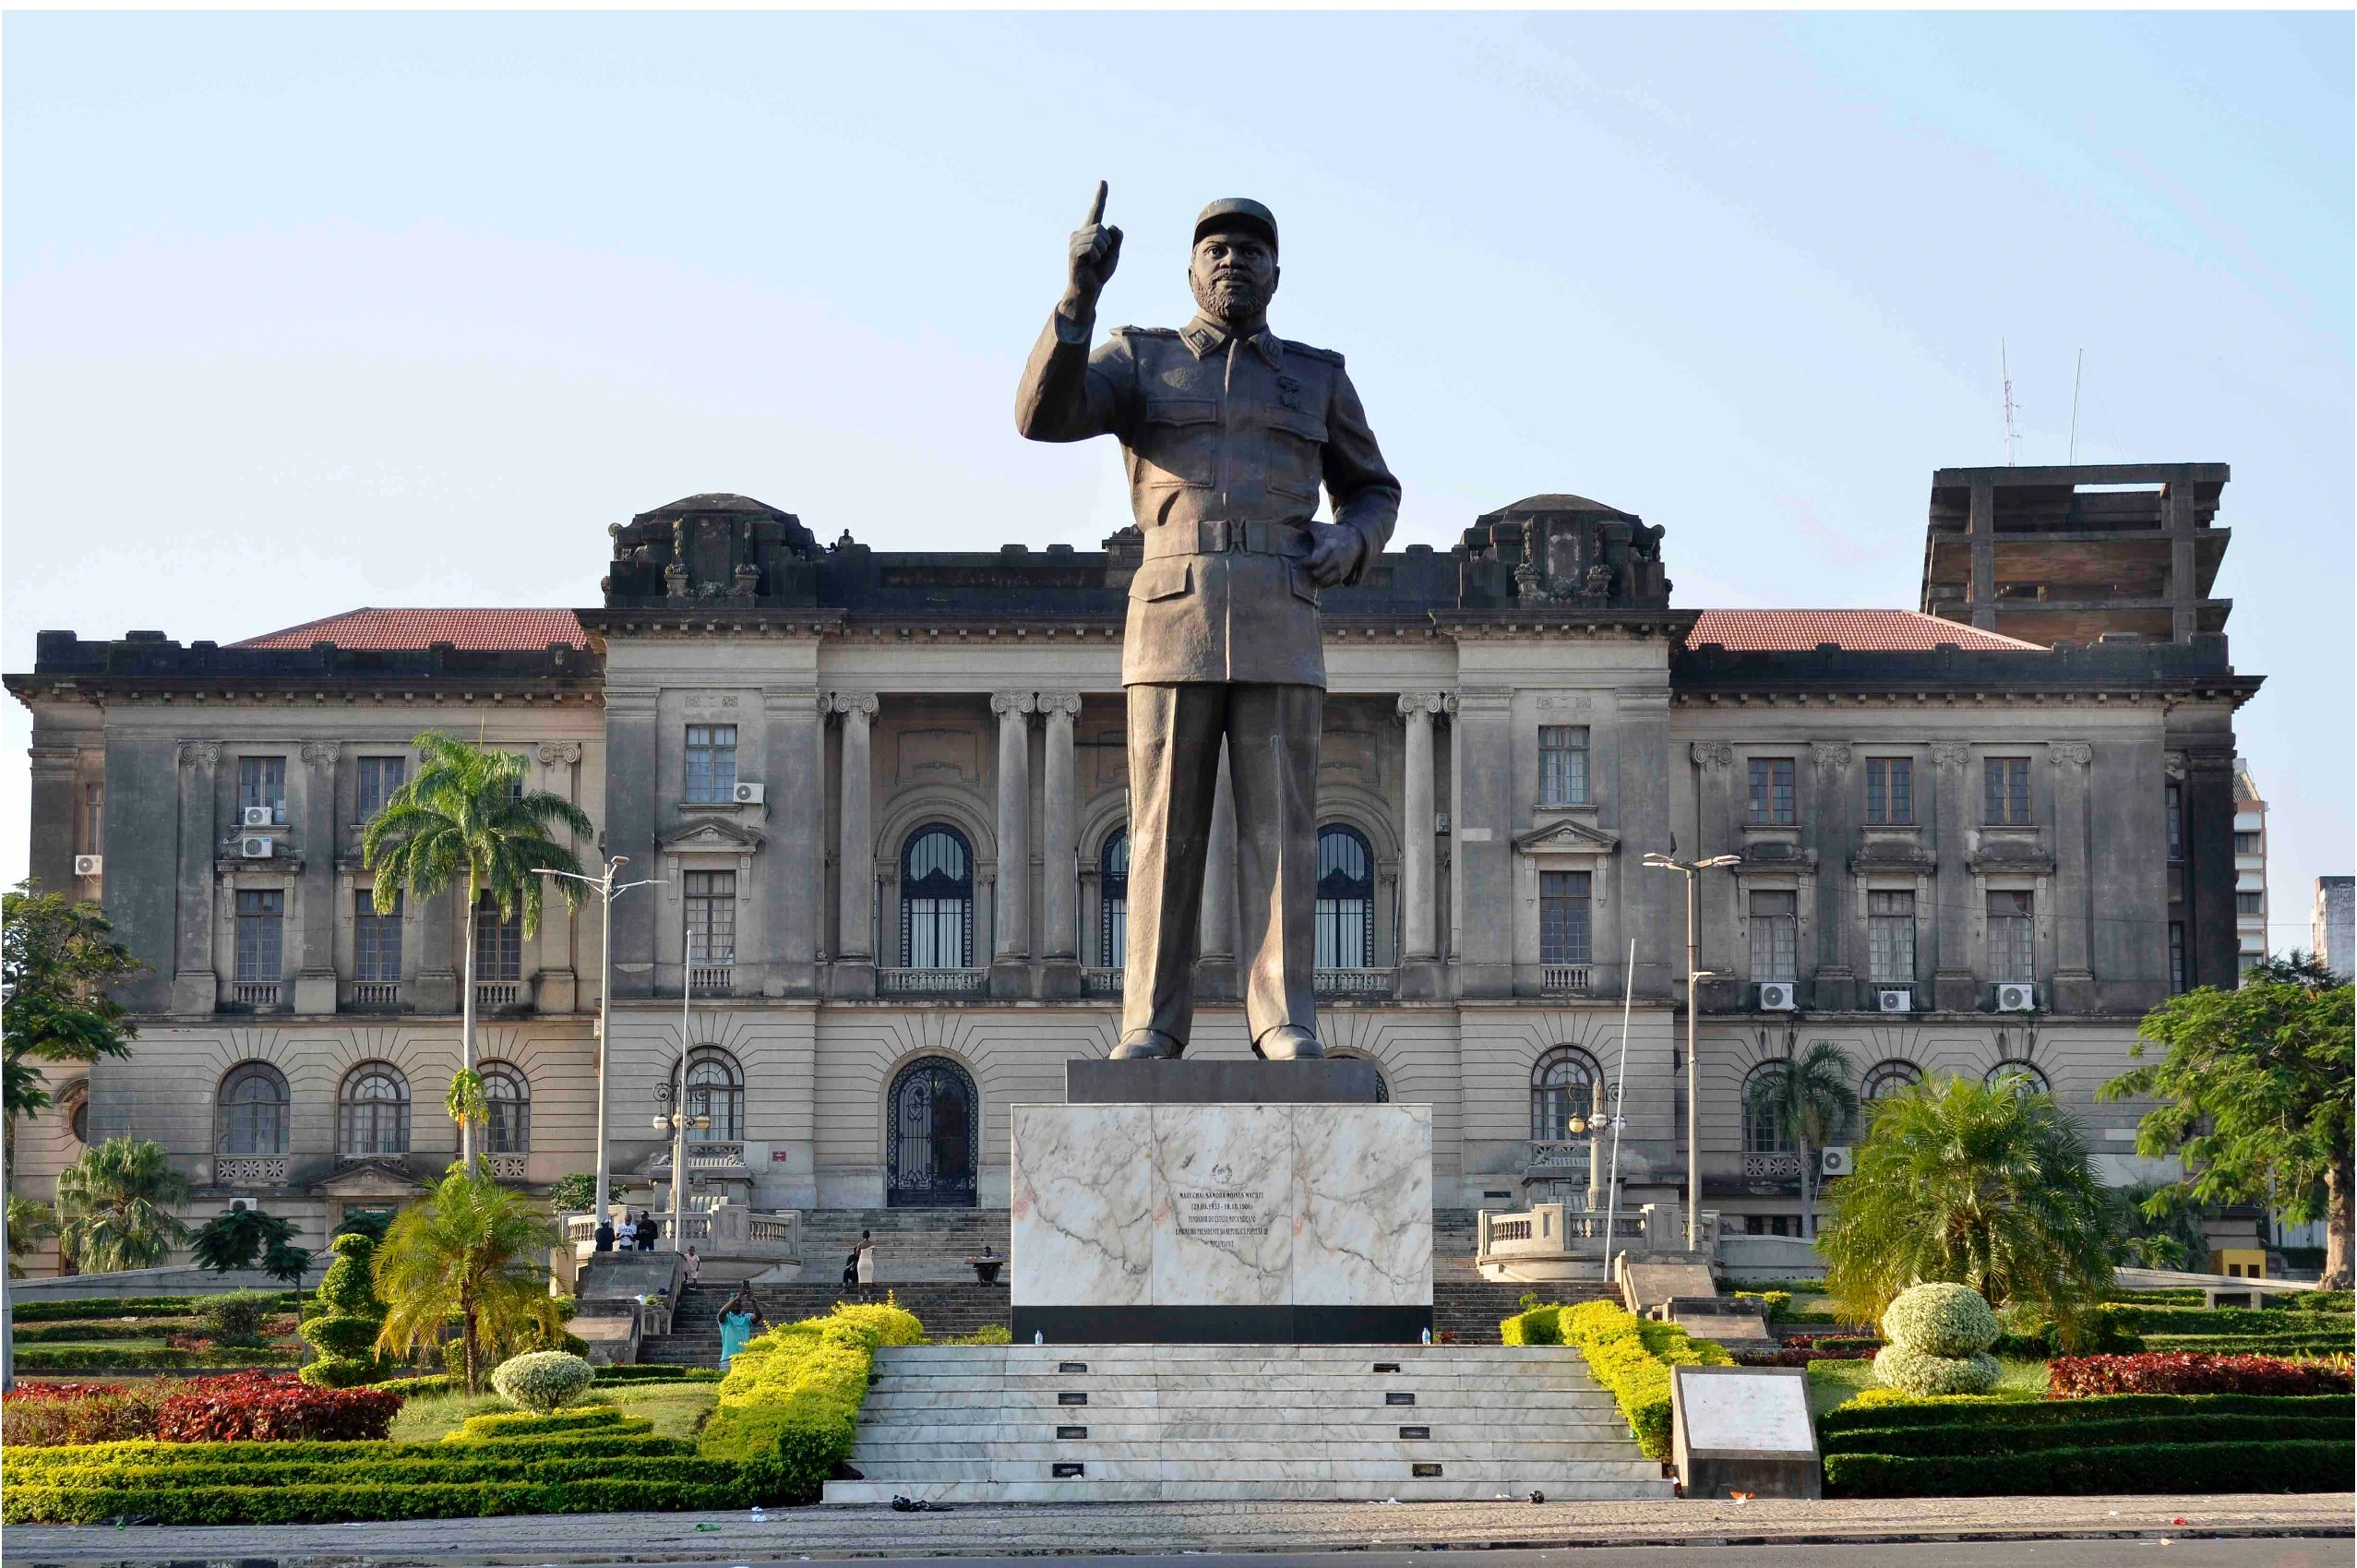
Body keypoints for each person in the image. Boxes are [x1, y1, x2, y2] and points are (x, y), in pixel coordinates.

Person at [1015, 187, 1398, 1061]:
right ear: (1191, 270)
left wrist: (1352, 540)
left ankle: (1283, 1018)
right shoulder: (1142, 360)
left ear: (1276, 275)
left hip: (1282, 612)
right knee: (1160, 829)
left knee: (1283, 833)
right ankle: (1150, 1021)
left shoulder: (1318, 377)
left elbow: (1375, 488)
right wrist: (1078, 296)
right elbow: (1041, 417)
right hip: (1172, 616)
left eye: (1250, 251)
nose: (1233, 262)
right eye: (1216, 250)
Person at [716, 1287, 766, 1370]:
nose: (737, 1303)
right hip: (727, 1360)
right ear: (730, 1303)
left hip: (744, 1359)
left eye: (739, 1301)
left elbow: (759, 1316)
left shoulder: (746, 1317)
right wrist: (737, 1297)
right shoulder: (726, 1318)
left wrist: (753, 1301)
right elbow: (722, 1313)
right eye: (735, 1301)